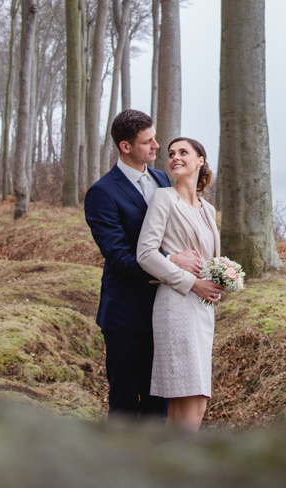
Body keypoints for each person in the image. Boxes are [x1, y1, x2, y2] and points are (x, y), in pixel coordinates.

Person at [84, 110, 202, 420]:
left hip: (166, 310)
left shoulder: (162, 179)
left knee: (158, 403)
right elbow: (119, 258)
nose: (156, 146)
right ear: (125, 146)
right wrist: (170, 261)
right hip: (125, 315)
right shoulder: (102, 194)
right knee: (124, 403)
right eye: (148, 141)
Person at [136, 136, 222, 431]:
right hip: (175, 303)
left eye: (183, 152)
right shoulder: (163, 198)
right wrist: (191, 282)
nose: (175, 157)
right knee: (191, 397)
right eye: (171, 153)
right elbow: (145, 253)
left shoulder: (208, 210)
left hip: (202, 310)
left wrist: (221, 280)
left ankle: (169, 465)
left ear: (200, 160)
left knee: (192, 399)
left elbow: (210, 259)